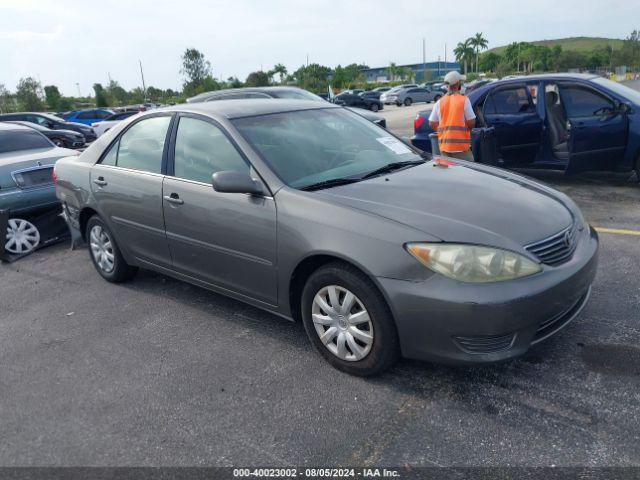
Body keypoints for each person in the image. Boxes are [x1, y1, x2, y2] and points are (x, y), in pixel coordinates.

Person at [429, 71, 476, 161]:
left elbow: (432, 123)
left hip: (445, 147)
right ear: (458, 83)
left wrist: (443, 132)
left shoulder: (440, 102)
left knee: (449, 173)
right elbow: (471, 121)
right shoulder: (463, 100)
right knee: (468, 172)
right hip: (461, 148)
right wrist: (467, 129)